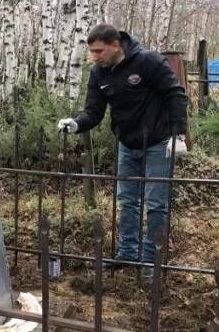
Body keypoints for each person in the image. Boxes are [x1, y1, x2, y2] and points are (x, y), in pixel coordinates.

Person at [57, 24, 188, 276]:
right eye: (92, 52)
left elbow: (176, 94)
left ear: (115, 45)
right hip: (127, 143)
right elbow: (94, 111)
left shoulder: (148, 62)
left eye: (99, 51)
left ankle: (151, 261)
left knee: (156, 203)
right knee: (128, 200)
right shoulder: (99, 73)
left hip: (159, 142)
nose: (94, 57)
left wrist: (178, 134)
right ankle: (128, 253)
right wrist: (76, 123)